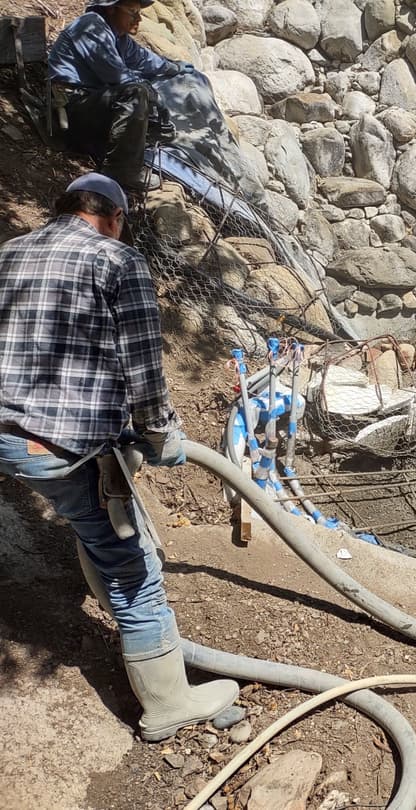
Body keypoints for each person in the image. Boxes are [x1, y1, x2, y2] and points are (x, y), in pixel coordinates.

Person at [0, 173, 238, 741]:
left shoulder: (8, 253)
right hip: (56, 445)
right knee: (132, 567)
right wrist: (159, 434)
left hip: (5, 435)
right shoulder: (118, 261)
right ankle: (166, 704)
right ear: (114, 217)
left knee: (89, 518)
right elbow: (141, 366)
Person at [47, 0, 196, 190]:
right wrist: (153, 95)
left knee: (141, 96)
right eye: (133, 12)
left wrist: (172, 67)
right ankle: (121, 171)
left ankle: (122, 148)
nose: (139, 18)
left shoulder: (117, 35)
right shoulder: (91, 27)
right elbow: (117, 76)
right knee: (135, 93)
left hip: (91, 106)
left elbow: (142, 58)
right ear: (111, 8)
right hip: (71, 114)